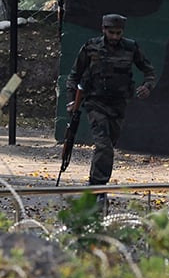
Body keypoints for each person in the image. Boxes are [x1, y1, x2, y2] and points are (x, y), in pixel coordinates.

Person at [65, 13, 156, 207]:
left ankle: (95, 186)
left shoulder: (131, 47)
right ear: (103, 29)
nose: (115, 37)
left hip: (119, 105)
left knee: (108, 147)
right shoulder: (91, 47)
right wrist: (72, 101)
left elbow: (149, 71)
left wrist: (147, 87)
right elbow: (74, 76)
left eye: (118, 33)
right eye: (111, 32)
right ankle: (97, 188)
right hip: (95, 103)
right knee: (104, 146)